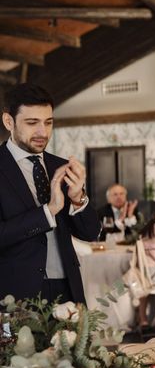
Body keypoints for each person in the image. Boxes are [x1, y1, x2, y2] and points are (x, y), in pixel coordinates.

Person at [0, 83, 100, 304]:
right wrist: (48, 211)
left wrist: (78, 199)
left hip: (68, 290)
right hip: (13, 295)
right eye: (32, 123)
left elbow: (91, 233)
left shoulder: (61, 166)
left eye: (48, 122)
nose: (42, 132)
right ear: (9, 121)